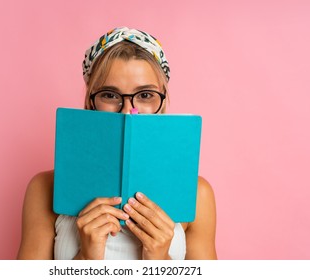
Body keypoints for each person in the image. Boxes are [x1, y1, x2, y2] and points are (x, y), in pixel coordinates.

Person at [17, 27, 217, 260]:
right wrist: (85, 261)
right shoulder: (45, 188)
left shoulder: (196, 195)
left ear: (162, 100)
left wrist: (161, 263)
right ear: (91, 101)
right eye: (110, 95)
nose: (129, 111)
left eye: (145, 95)